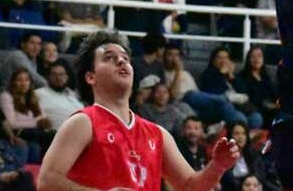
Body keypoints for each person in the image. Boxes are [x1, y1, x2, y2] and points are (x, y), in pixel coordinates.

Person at [37, 29, 241, 191]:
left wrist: (217, 166)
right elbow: (46, 181)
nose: (121, 61)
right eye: (109, 57)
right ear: (91, 77)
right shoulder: (83, 122)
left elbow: (189, 186)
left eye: (125, 57)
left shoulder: (157, 134)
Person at [0, 68, 51, 160]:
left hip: (34, 133)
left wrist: (44, 122)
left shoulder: (33, 98)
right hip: (18, 133)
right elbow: (11, 123)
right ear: (13, 82)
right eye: (19, 80)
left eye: (26, 80)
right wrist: (36, 123)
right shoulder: (6, 97)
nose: (23, 83)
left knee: (53, 136)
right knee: (36, 146)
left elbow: (43, 118)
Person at [198, 47, 257, 128]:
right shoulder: (208, 74)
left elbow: (244, 92)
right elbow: (216, 92)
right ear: (213, 60)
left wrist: (231, 76)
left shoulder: (233, 75)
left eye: (226, 57)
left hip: (238, 106)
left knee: (256, 117)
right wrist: (221, 73)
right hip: (219, 107)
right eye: (219, 58)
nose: (223, 61)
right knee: (240, 118)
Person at [235, 46, 278, 127]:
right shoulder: (242, 76)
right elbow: (247, 98)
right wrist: (266, 105)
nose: (256, 59)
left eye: (259, 56)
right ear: (248, 59)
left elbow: (274, 94)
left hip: (271, 108)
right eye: (253, 56)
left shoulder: (265, 77)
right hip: (255, 110)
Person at [34, 61, 84, 132]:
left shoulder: (72, 94)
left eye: (61, 74)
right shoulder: (39, 93)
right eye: (54, 74)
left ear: (67, 77)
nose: (58, 78)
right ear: (48, 77)